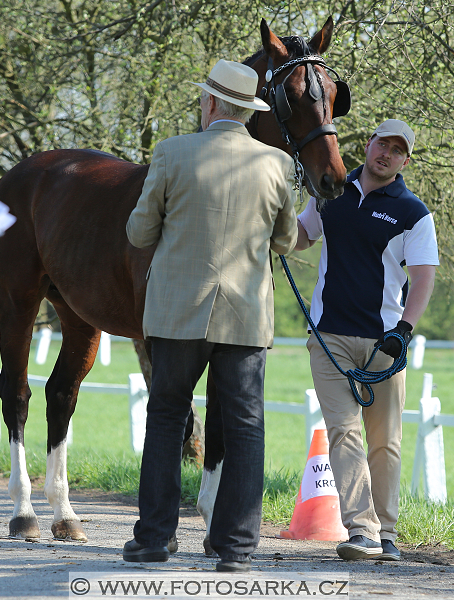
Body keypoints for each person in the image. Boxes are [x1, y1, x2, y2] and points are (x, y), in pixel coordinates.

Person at [124, 59, 297, 572]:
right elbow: (286, 241)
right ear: (248, 111)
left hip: (179, 312)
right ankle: (236, 548)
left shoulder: (172, 153)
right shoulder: (276, 164)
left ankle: (154, 538)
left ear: (212, 103)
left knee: (166, 418)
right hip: (245, 316)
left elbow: (138, 233)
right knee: (246, 427)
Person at [292, 119, 438, 562]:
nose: (387, 153)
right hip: (328, 336)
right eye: (382, 144)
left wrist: (403, 332)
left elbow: (424, 279)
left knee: (385, 442)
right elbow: (298, 237)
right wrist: (271, 213)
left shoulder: (414, 213)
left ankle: (387, 533)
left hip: (383, 344)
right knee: (343, 432)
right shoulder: (330, 193)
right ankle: (362, 530)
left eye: (397, 150)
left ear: (405, 160)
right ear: (369, 143)